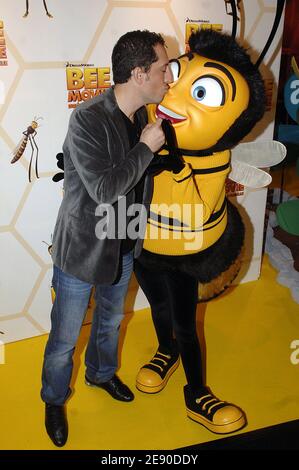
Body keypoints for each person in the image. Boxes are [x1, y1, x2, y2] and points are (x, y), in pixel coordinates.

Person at [41, 29, 173, 447]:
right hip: (82, 250)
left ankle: (101, 375)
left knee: (110, 322)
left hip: (122, 243)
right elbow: (102, 189)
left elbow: (135, 182)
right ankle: (54, 399)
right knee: (65, 338)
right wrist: (147, 148)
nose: (168, 77)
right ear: (138, 74)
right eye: (161, 68)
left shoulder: (138, 117)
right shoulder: (86, 118)